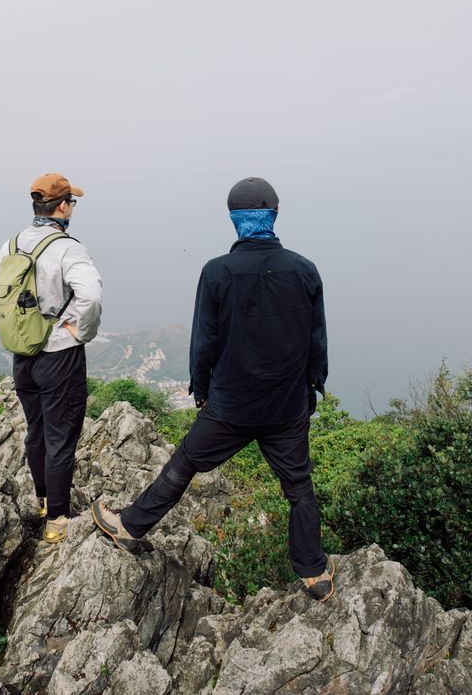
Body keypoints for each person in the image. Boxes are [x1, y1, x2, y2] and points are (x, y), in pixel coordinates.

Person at [91, 176, 334, 601]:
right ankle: (314, 573)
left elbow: (205, 339)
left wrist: (200, 389)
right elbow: (316, 338)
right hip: (285, 407)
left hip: (231, 406)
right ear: (274, 215)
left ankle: (129, 526)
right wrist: (313, 388)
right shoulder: (304, 270)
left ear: (234, 220)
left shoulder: (217, 272)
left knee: (184, 463)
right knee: (298, 487)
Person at [0, 172, 102, 544]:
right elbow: (91, 296)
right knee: (60, 438)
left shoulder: (14, 244)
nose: (73, 208)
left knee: (36, 431)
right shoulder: (68, 248)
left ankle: (42, 500)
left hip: (23, 355)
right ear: (62, 205)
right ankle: (58, 519)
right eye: (73, 202)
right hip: (58, 357)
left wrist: (9, 322)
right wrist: (76, 331)